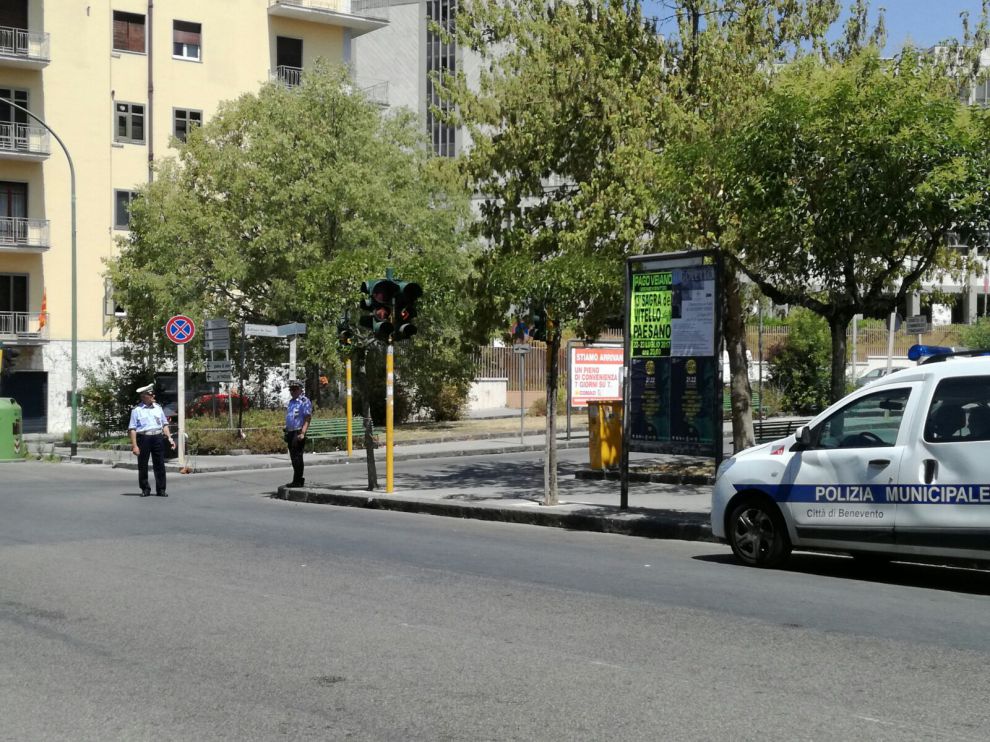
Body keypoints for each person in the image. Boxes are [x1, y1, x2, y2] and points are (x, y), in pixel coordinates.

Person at [128, 383, 176, 497]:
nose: (153, 395)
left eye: (152, 393)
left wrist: (170, 438)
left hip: (157, 437)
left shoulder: (158, 408)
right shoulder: (137, 410)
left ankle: (161, 489)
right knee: (143, 465)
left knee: (159, 464)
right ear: (144, 396)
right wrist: (134, 445)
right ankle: (145, 489)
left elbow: (164, 425)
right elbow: (133, 429)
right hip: (144, 438)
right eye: (150, 394)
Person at [284, 379, 312, 487]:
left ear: (301, 390)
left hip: (298, 431)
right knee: (293, 457)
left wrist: (303, 433)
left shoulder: (304, 401)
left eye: (295, 389)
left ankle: (298, 480)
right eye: (291, 389)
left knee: (297, 457)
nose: (293, 391)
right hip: (290, 432)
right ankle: (297, 480)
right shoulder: (291, 402)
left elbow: (307, 418)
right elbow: (291, 417)